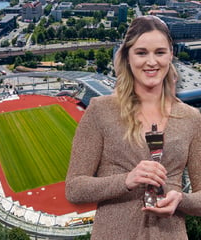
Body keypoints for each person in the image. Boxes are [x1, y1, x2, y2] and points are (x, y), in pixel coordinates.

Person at [65, 15, 201, 240]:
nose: (151, 62)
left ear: (170, 55)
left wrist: (180, 198)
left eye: (159, 52)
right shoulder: (100, 111)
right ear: (127, 57)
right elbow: (74, 188)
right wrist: (127, 180)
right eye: (141, 52)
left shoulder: (191, 118)